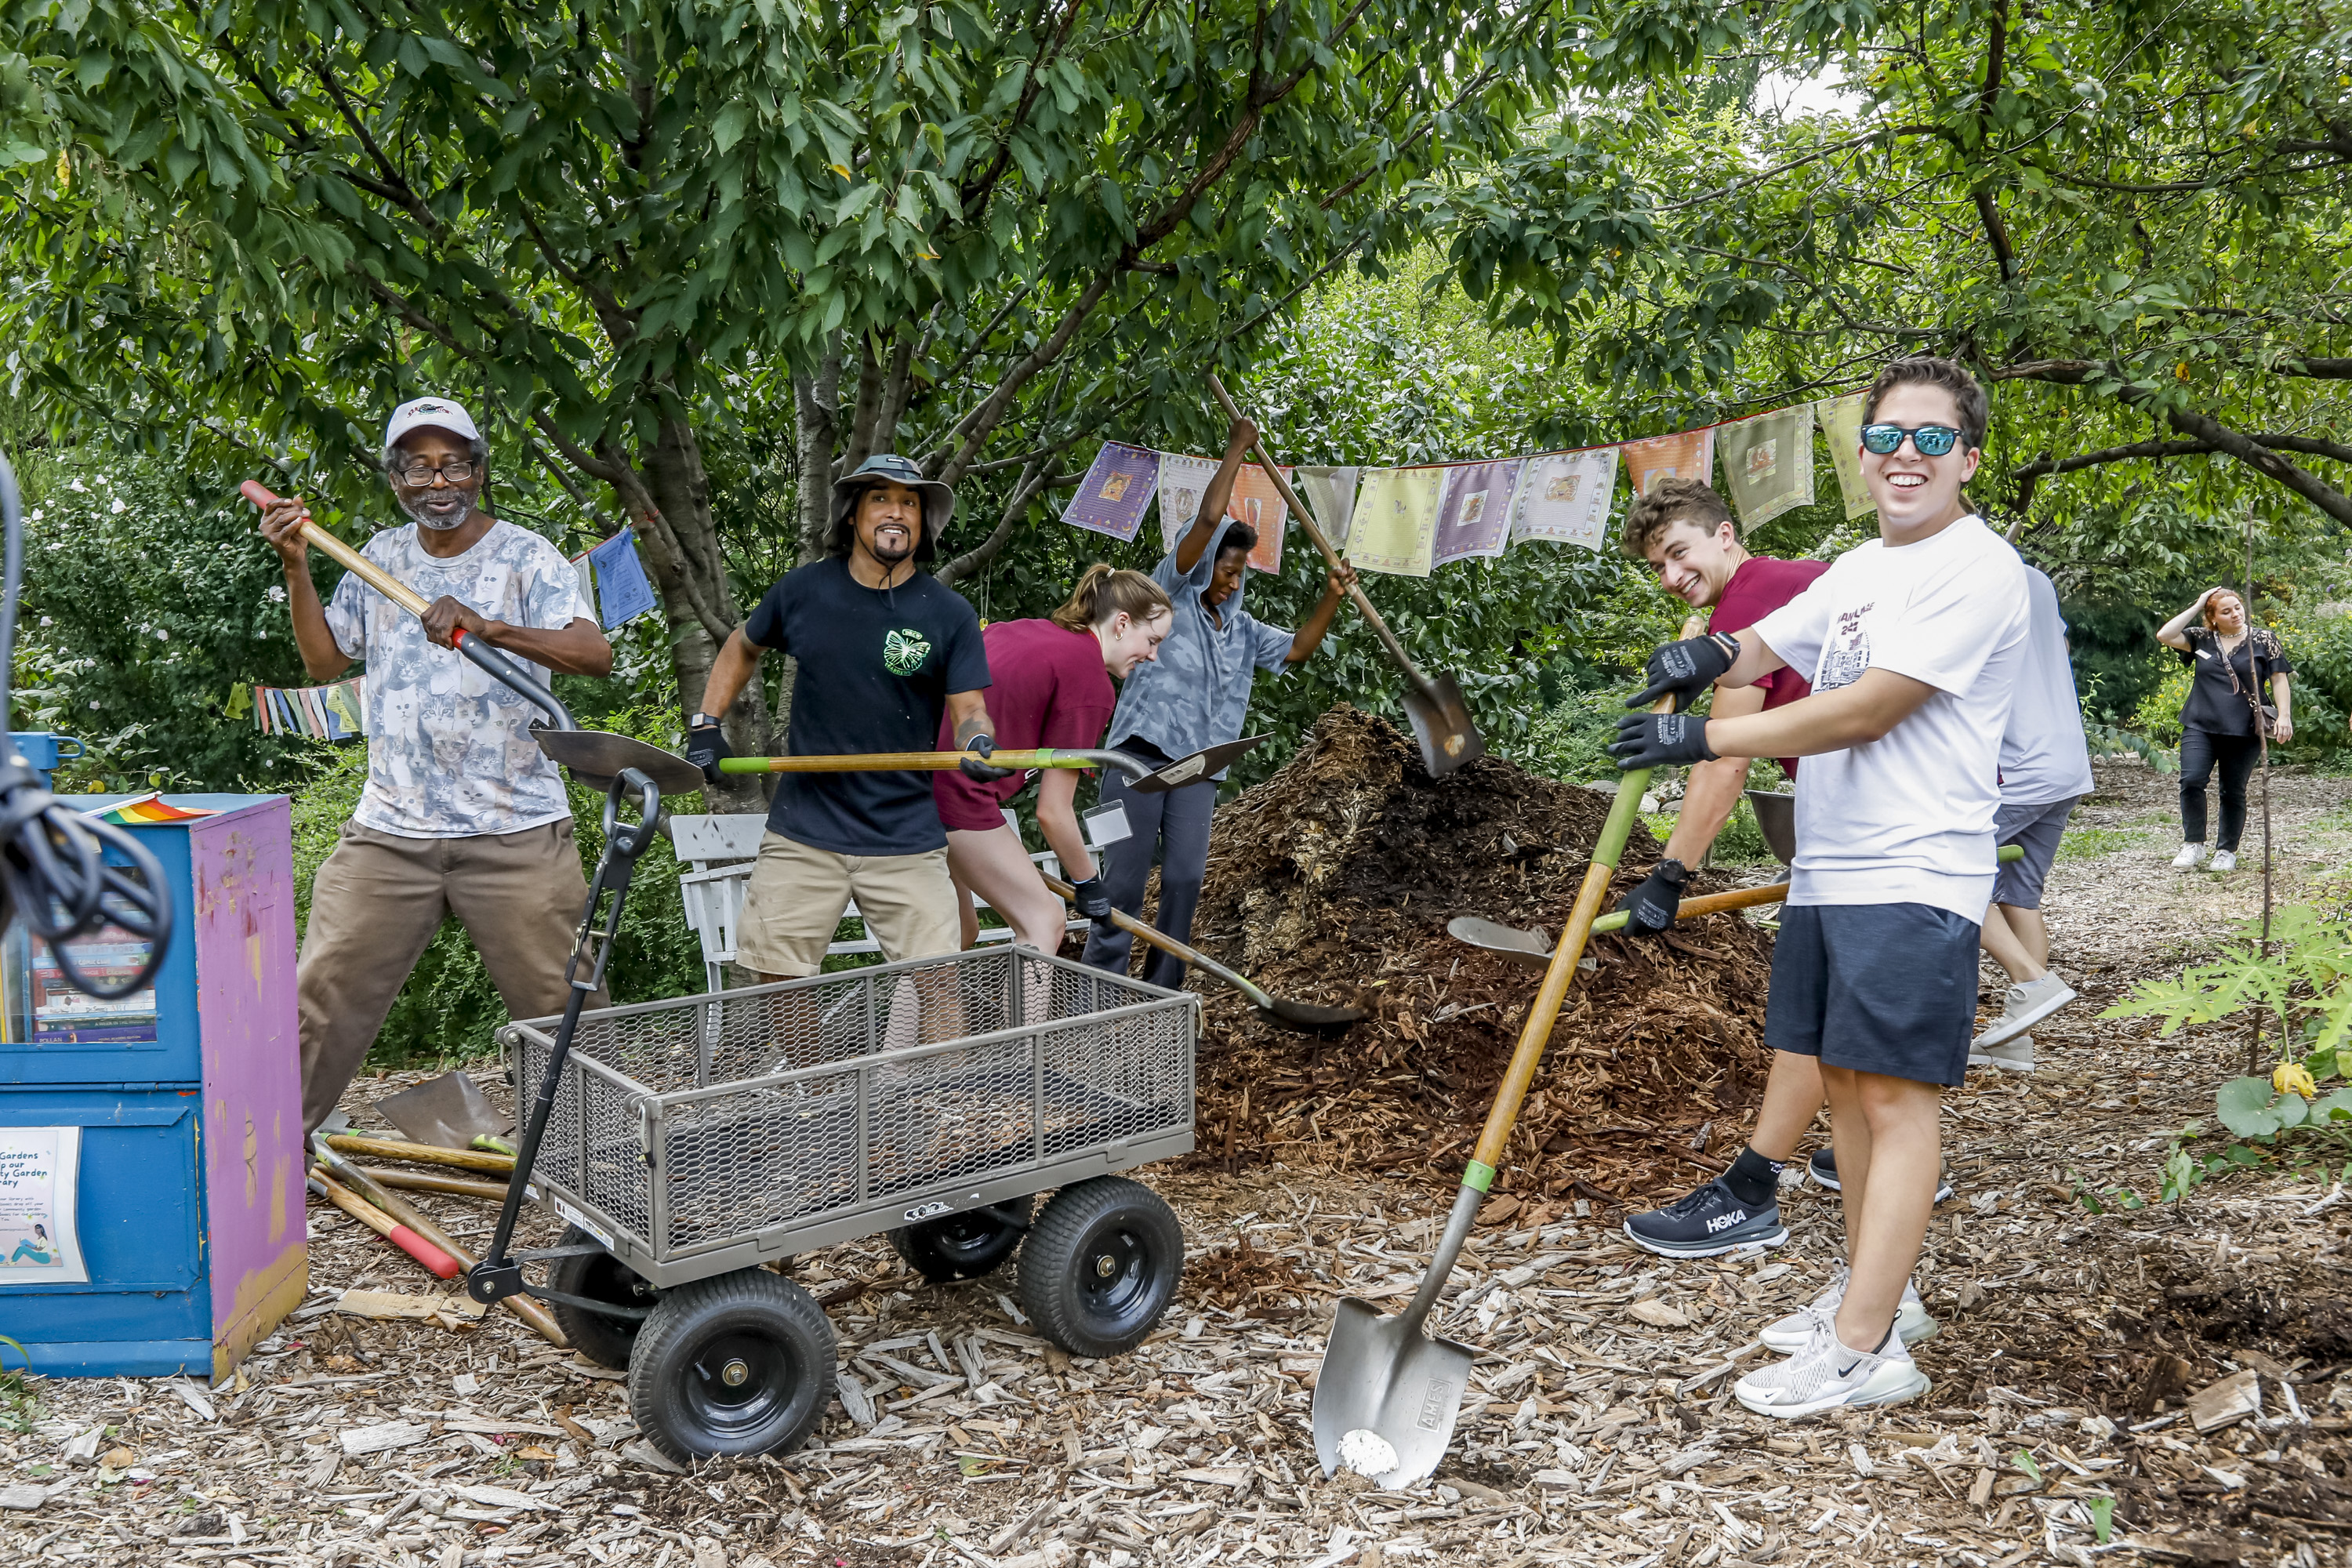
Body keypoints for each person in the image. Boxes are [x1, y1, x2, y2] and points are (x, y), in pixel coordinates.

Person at [1611, 355, 2030, 1416]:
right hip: (1834, 864)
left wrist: (1699, 730)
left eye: (1932, 439)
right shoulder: (1859, 568)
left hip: (1914, 865)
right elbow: (1771, 642)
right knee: (1841, 1085)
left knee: (1893, 1099)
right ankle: (1879, 1296)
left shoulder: (1976, 569)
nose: (1906, 455)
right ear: (1864, 450)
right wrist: (1705, 658)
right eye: (1889, 435)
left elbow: (1863, 710)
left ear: (1967, 458)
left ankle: (1865, 1347)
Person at [258, 397, 615, 1133]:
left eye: (452, 461)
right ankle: (261, 1172)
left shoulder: (526, 556)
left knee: (568, 1018)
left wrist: (493, 628)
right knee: (315, 1002)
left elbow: (593, 655)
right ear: (396, 479)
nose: (437, 480)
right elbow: (327, 659)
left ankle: (605, 1176)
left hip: (516, 829)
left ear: (479, 471)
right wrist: (297, 566)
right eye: (417, 465)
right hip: (390, 830)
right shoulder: (378, 557)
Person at [1605, 478, 1830, 1261]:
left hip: (1879, 824)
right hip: (1902, 810)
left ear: (1726, 535)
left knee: (1810, 1011)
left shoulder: (1754, 604)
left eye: (1679, 552)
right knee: (1849, 1017)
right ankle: (1870, 1155)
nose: (1669, 574)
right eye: (1658, 565)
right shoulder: (1794, 580)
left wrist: (1669, 875)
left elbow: (1721, 761)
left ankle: (1750, 1190)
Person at [687, 454, 993, 983]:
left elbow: (970, 712)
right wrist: (707, 725)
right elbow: (741, 647)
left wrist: (978, 741)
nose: (895, 512)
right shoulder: (803, 591)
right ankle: (824, 1073)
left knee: (940, 977)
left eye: (909, 502)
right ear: (853, 513)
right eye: (880, 499)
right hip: (806, 825)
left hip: (906, 830)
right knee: (776, 974)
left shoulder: (949, 614)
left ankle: (943, 1072)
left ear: (924, 522)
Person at [1080, 417, 1356, 989]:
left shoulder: (1245, 630)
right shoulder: (1168, 599)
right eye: (1226, 571)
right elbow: (1209, 520)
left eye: (1239, 575)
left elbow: (1300, 651)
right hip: (1135, 759)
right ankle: (1097, 992)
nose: (1232, 583)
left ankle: (1161, 996)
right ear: (1205, 566)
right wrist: (1236, 450)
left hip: (1199, 768)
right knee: (1123, 883)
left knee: (1183, 880)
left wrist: (1332, 596)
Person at [935, 565, 1173, 953]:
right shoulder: (1090, 682)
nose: (1153, 656)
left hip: (911, 785)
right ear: (1122, 623)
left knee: (955, 934)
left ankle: (911, 1018)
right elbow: (1052, 811)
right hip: (956, 796)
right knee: (1045, 921)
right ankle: (1027, 1018)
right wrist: (1087, 881)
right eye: (1152, 640)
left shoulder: (1023, 629)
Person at [1952, 564, 2090, 1073]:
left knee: (1948, 863)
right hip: (2066, 759)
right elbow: (2061, 649)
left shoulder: (1963, 574)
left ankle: (2031, 979)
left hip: (2018, 763)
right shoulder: (2035, 578)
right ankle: (2016, 1038)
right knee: (2018, 894)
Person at [2156, 586, 2292, 873]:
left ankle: (2226, 850)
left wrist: (2284, 716)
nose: (2236, 614)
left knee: (2233, 790)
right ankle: (2194, 844)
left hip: (2244, 729)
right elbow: (2165, 635)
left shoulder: (2263, 639)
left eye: (2238, 608)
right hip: (2200, 724)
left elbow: (2279, 679)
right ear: (2213, 617)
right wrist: (2197, 605)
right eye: (2226, 611)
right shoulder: (2202, 638)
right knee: (2192, 780)